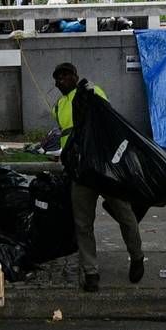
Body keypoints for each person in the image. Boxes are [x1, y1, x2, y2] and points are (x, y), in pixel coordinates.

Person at [52, 62, 145, 291]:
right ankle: (90, 271)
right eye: (58, 78)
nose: (61, 80)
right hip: (79, 171)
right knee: (83, 224)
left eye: (65, 75)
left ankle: (137, 256)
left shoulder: (91, 91)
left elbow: (105, 117)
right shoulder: (59, 105)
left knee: (125, 214)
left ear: (75, 76)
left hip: (104, 168)